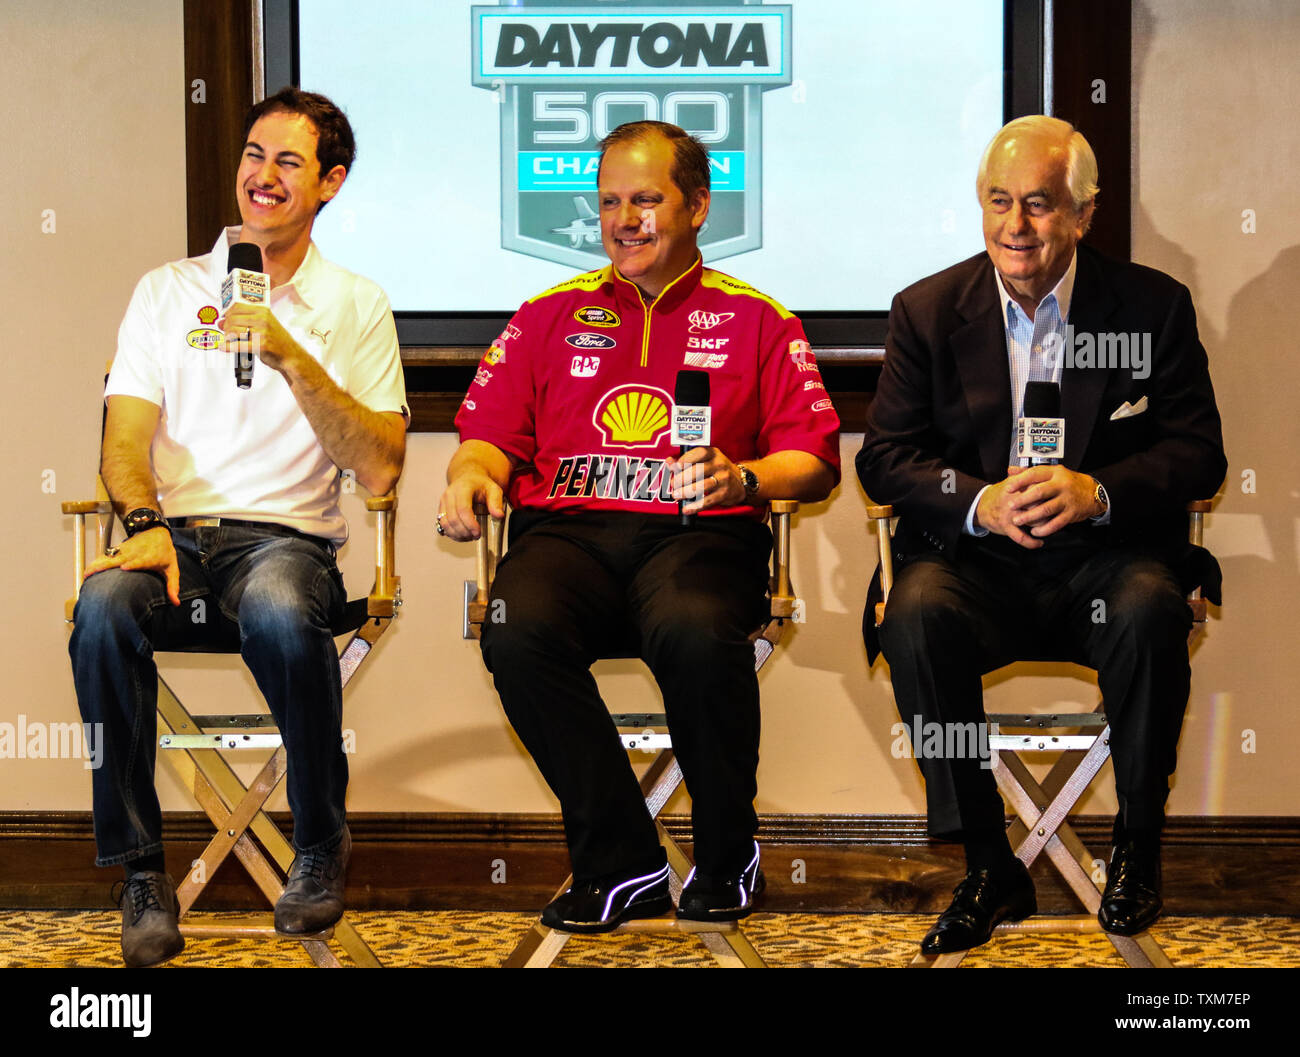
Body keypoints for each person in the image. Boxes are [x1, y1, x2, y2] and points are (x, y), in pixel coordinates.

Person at [440, 121, 839, 932]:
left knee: (694, 630)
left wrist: (747, 475)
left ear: (697, 205)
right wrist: (468, 476)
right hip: (568, 538)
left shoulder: (759, 318)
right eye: (611, 202)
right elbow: (486, 437)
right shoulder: (549, 313)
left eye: (647, 199)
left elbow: (817, 456)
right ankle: (623, 861)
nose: (626, 219)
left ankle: (728, 853)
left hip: (700, 538)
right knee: (515, 631)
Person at [856, 115, 1226, 954]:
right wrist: (978, 501)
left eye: (1039, 205)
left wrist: (1098, 491)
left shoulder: (1151, 307)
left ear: (1084, 214)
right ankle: (989, 863)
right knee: (913, 610)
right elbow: (884, 460)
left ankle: (1136, 842)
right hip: (976, 567)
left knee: (1148, 607)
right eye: (998, 203)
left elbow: (1200, 453)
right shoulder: (926, 309)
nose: (1015, 228)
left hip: (1107, 562)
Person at [69, 88, 408, 967]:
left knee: (281, 605)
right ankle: (141, 872)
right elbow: (126, 436)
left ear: (330, 183)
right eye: (256, 155)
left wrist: (288, 350)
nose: (262, 176)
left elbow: (378, 465)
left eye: (289, 162)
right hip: (172, 533)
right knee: (102, 608)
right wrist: (142, 521)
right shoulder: (167, 290)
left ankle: (319, 844)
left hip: (284, 539)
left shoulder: (357, 302)